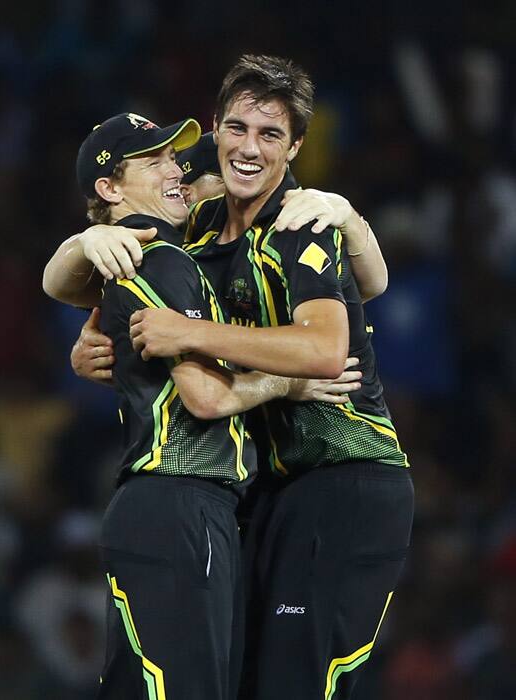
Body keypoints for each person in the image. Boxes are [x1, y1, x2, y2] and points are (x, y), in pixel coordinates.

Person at [44, 55, 412, 700]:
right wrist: (83, 243)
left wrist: (191, 333)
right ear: (215, 129)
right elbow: (95, 251)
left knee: (293, 683)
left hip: (341, 476)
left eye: (271, 135)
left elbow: (330, 348)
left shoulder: (303, 223)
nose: (248, 148)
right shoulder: (204, 216)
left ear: (296, 146)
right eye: (236, 129)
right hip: (266, 486)